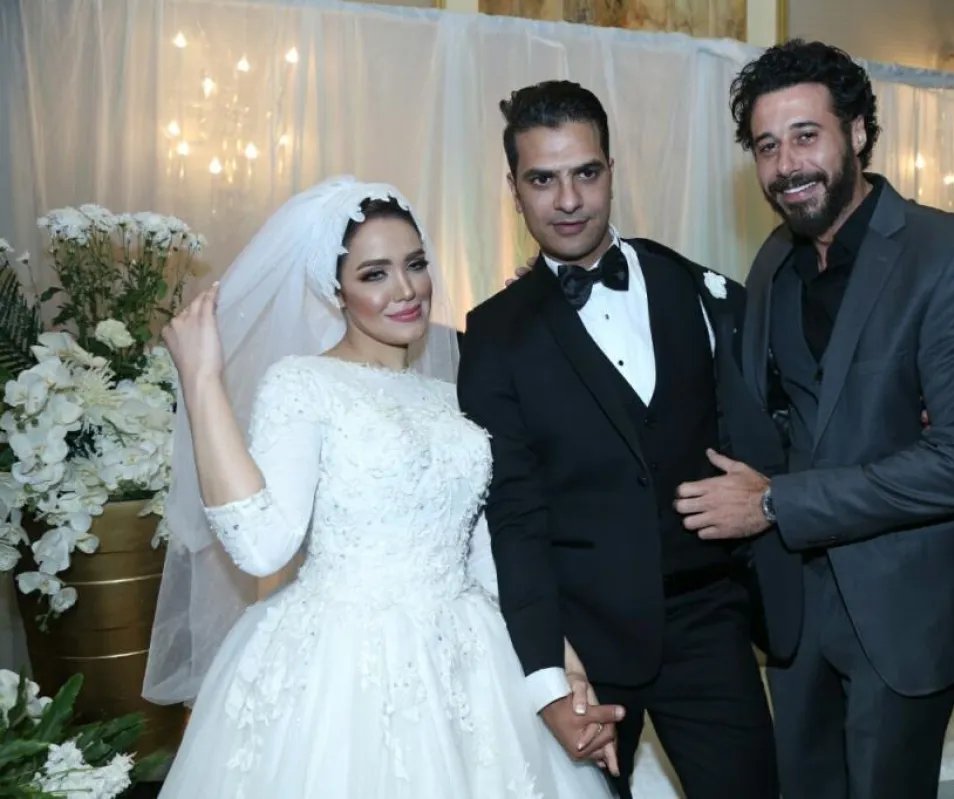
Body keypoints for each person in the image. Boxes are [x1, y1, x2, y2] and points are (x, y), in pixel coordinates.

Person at [142, 177, 620, 797]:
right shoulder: (303, 384)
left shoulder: (453, 395)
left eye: (415, 264)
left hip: (472, 656)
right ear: (335, 290)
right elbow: (261, 548)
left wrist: (563, 665)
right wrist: (202, 379)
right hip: (345, 669)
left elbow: (489, 554)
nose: (406, 290)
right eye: (375, 274)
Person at [672, 40, 954, 798]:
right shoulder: (773, 261)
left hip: (901, 611)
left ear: (857, 131)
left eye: (806, 135)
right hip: (795, 611)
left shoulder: (952, 254)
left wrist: (773, 503)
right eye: (767, 146)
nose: (786, 164)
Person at [457, 81, 778, 799]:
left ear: (612, 169)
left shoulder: (697, 287)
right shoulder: (494, 335)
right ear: (513, 189)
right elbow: (513, 517)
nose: (569, 199)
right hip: (585, 646)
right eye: (543, 179)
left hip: (710, 626)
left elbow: (773, 420)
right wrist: (546, 675)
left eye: (586, 172)